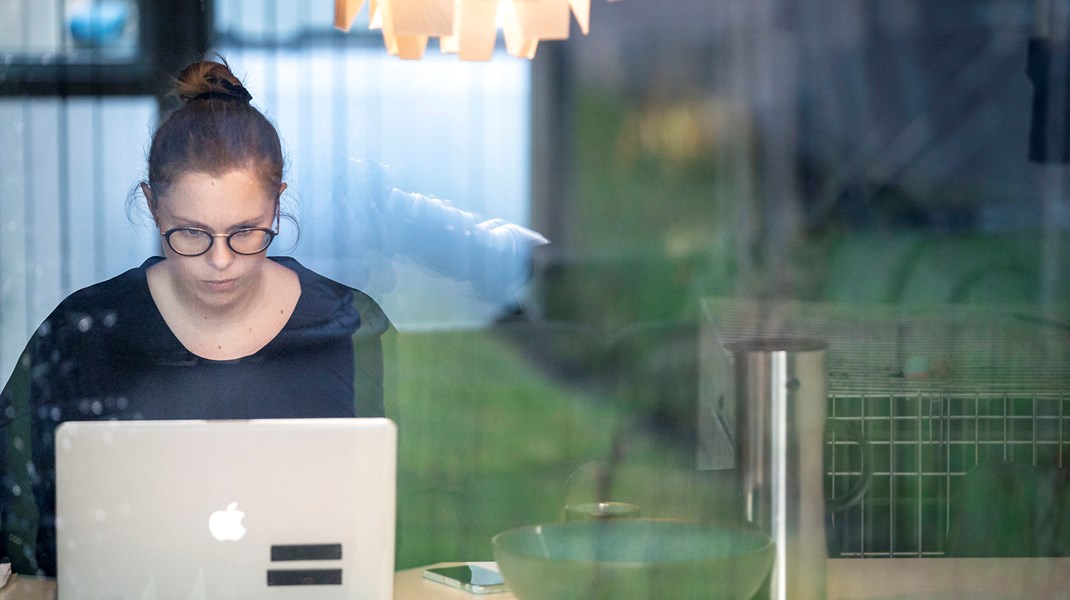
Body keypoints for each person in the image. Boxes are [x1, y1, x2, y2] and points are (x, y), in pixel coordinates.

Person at [0, 58, 391, 577]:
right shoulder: (83, 331)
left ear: (278, 204)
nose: (220, 260)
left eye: (246, 231)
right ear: (153, 207)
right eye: (190, 233)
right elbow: (13, 504)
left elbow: (386, 507)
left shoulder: (346, 324)